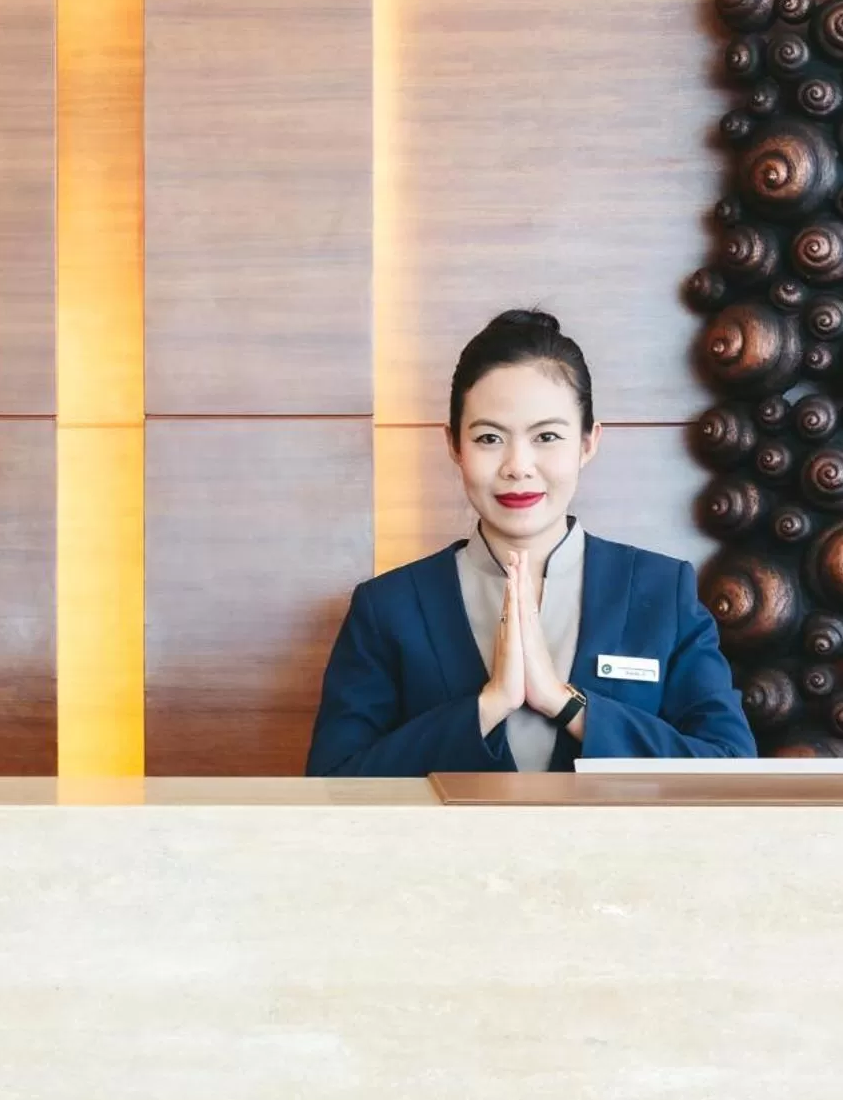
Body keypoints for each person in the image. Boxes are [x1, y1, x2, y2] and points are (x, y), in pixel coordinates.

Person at [306, 309, 753, 776]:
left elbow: (730, 767)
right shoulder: (388, 607)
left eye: (546, 436)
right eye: (489, 437)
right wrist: (486, 707)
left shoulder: (663, 592)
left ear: (588, 443)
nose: (518, 465)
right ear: (454, 445)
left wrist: (567, 705)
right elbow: (334, 783)